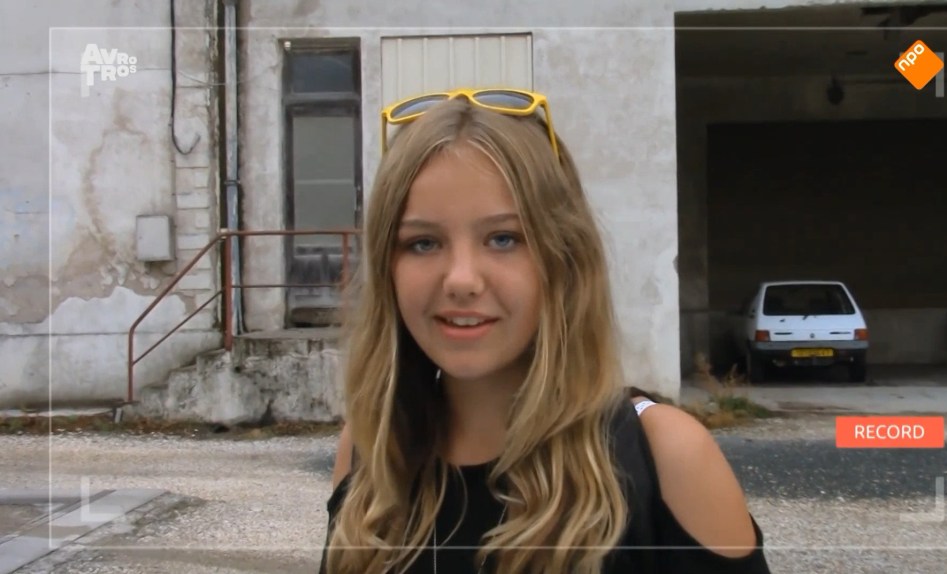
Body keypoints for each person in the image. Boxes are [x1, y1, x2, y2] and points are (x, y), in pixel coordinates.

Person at [320, 88, 771, 574]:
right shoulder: (370, 452)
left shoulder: (669, 458)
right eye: (423, 243)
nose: (461, 280)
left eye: (503, 238)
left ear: (565, 258)